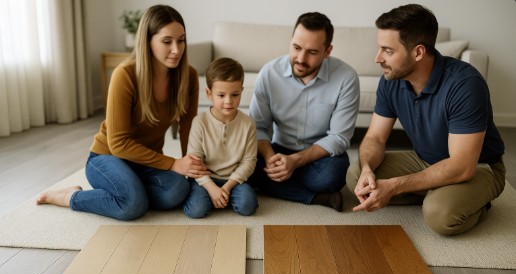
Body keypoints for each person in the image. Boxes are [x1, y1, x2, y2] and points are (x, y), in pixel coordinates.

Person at [36, 5, 209, 220]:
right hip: (106, 157)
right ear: (148, 42)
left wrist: (191, 166)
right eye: (167, 42)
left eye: (181, 40)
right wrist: (173, 164)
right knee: (132, 205)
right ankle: (70, 196)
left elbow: (188, 129)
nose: (176, 49)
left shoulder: (188, 76)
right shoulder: (125, 75)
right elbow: (118, 143)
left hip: (147, 161)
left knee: (177, 191)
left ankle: (129, 192)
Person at [346, 4, 505, 235]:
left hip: (478, 167)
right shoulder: (391, 80)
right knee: (356, 176)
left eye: (388, 51)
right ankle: (433, 190)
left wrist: (396, 185)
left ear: (418, 52)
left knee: (440, 215)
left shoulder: (465, 84)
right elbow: (375, 137)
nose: (377, 58)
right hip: (425, 161)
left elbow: (462, 165)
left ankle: (469, 201)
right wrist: (369, 168)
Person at [249, 12, 360, 212]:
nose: (301, 58)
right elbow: (258, 126)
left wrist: (295, 161)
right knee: (243, 164)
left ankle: (275, 183)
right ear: (291, 41)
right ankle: (317, 197)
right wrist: (270, 158)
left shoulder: (346, 78)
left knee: (333, 175)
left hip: (319, 155)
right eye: (296, 48)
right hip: (278, 150)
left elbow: (339, 138)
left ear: (327, 51)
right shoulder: (269, 73)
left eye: (312, 52)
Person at [183, 57, 258, 218]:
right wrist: (211, 188)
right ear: (209, 94)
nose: (228, 102)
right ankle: (215, 197)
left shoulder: (248, 124)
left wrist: (226, 188)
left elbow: (249, 161)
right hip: (204, 179)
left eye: (235, 94)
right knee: (196, 210)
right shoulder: (200, 122)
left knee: (248, 205)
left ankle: (221, 197)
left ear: (241, 91)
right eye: (221, 95)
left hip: (233, 180)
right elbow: (195, 161)